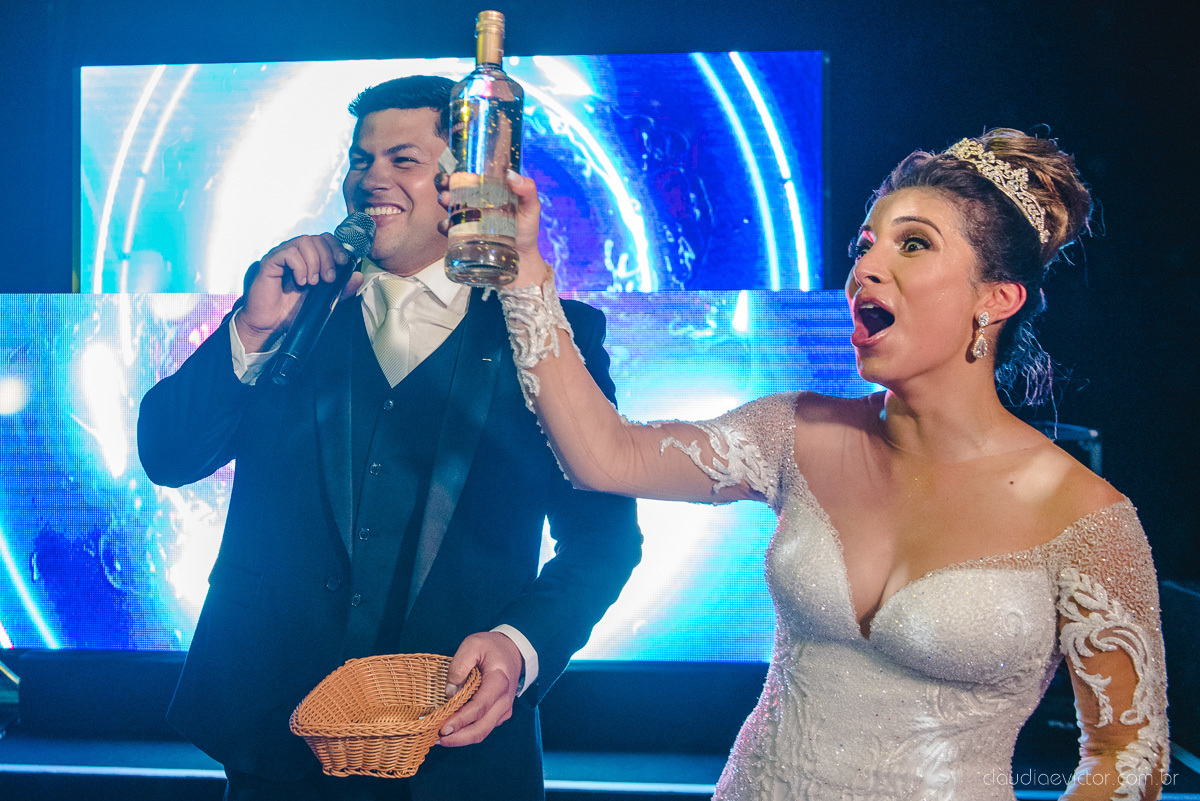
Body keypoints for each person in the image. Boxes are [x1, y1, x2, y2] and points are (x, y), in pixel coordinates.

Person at [471, 128, 1169, 799]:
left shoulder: (1087, 518)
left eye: (914, 244)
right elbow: (604, 456)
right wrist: (523, 265)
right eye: (865, 245)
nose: (865, 268)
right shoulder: (794, 431)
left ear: (997, 299)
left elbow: (1126, 754)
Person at [137, 75, 642, 801]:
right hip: (275, 741)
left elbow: (604, 542)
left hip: (458, 751)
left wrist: (519, 647)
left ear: (468, 183)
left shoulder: (552, 335)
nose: (370, 178)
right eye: (360, 159)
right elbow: (168, 454)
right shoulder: (293, 307)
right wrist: (251, 328)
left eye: (402, 160)